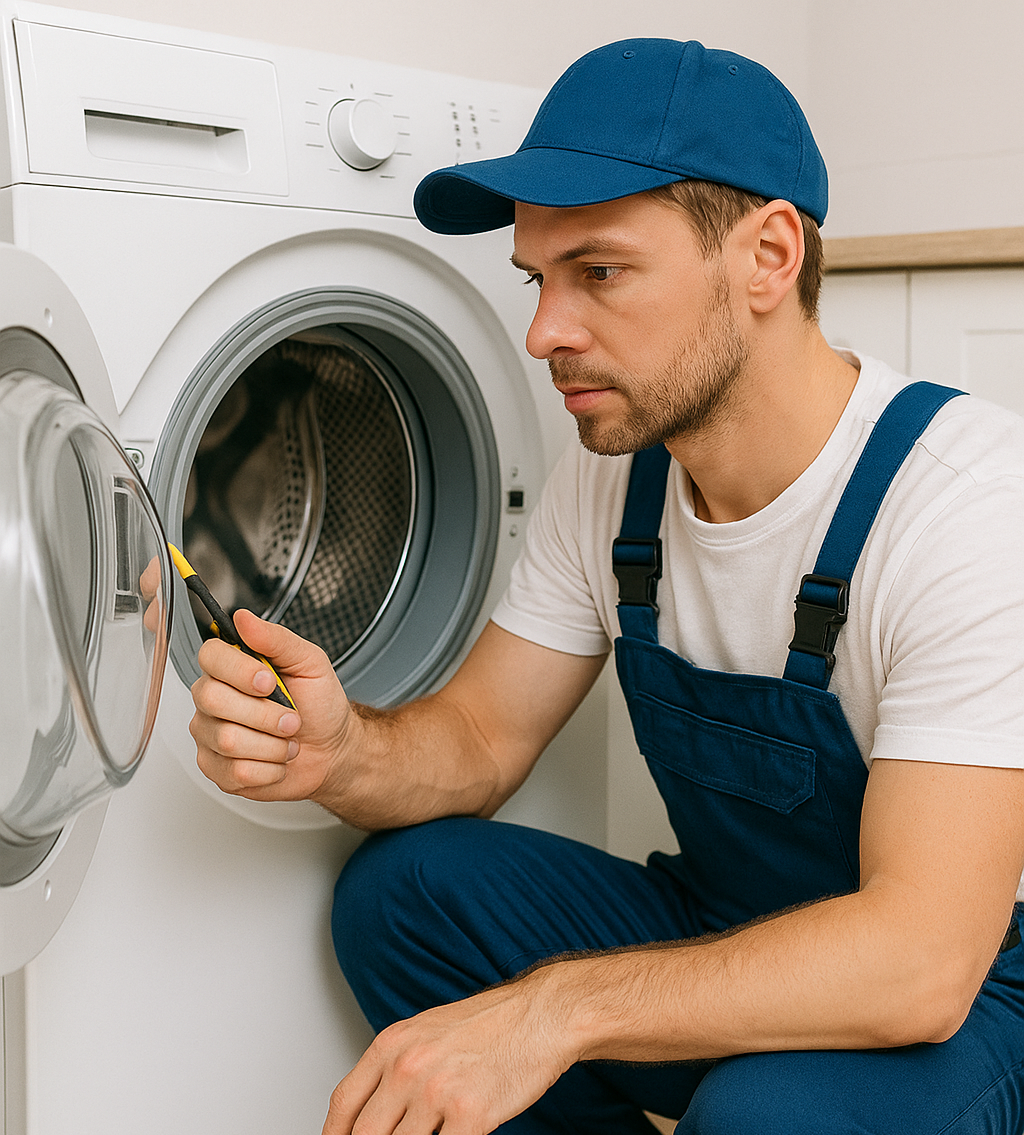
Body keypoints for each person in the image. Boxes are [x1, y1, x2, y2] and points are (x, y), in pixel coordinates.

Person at [188, 38, 1024, 1135]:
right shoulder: (619, 481)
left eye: (600, 272)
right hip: (728, 917)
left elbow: (919, 961)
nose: (545, 333)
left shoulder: (961, 503)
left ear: (768, 256)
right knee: (404, 894)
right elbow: (482, 741)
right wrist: (341, 753)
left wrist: (554, 1010)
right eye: (538, 280)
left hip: (970, 998)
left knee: (763, 1113)